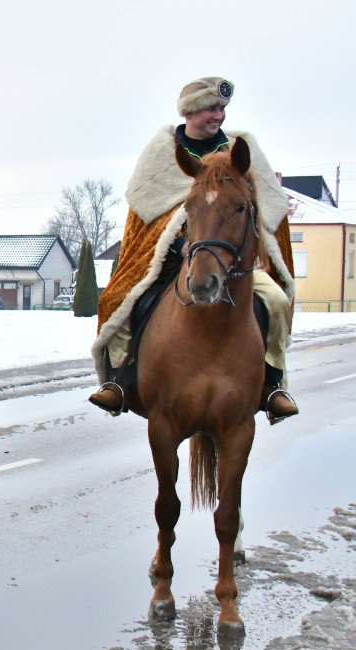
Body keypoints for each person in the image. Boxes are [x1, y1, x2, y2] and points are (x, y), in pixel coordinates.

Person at [89, 77, 298, 423]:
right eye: (211, 108)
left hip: (234, 266)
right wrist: (176, 244)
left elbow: (268, 212)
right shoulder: (161, 156)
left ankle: (272, 385)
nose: (219, 115)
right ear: (190, 112)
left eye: (222, 109)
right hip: (171, 263)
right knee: (120, 302)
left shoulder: (241, 154)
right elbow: (146, 217)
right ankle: (122, 380)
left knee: (275, 302)